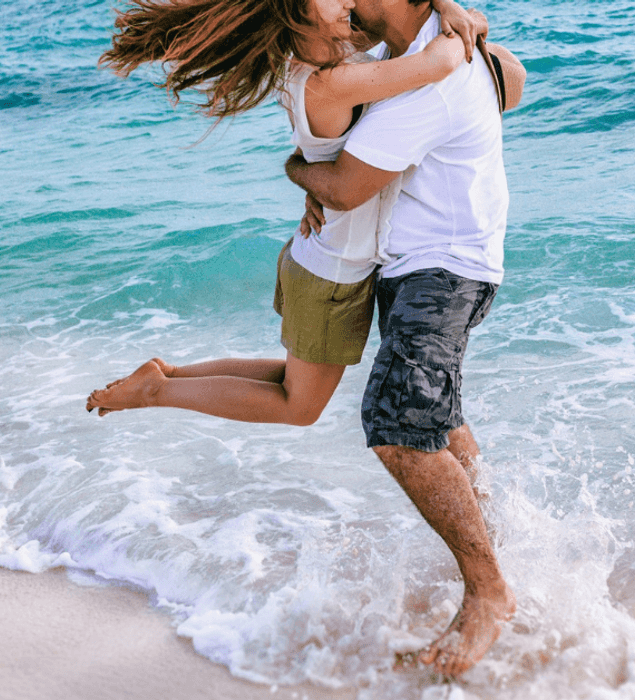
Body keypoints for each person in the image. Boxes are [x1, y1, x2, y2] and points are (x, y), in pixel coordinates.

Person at [86, 0, 484, 426]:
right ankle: (157, 391)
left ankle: (166, 377)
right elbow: (440, 61)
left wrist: (440, 4)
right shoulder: (329, 81)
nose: (349, 1)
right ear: (298, 9)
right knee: (299, 406)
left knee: (293, 379)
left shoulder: (326, 55)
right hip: (335, 269)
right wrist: (464, 16)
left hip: (320, 254)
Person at [282, 0, 526, 678]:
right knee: (437, 420)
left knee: (396, 424)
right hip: (424, 262)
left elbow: (348, 188)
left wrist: (296, 171)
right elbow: (516, 82)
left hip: (442, 269)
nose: (342, 5)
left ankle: (488, 592)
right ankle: (498, 548)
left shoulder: (425, 78)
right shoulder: (415, 54)